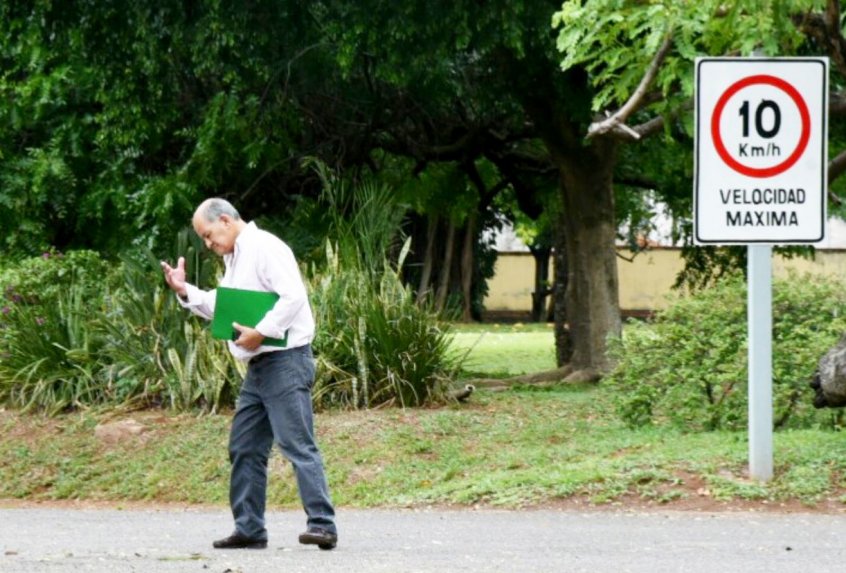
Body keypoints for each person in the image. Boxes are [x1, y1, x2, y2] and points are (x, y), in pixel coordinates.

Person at [160, 198, 338, 550]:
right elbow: (224, 307)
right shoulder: (235, 258)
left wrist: (263, 331)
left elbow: (294, 297)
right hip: (258, 369)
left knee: (297, 444)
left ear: (225, 220)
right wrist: (185, 291)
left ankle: (322, 525)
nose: (209, 245)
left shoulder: (265, 247)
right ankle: (250, 528)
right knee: (244, 446)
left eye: (209, 236)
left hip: (285, 360)